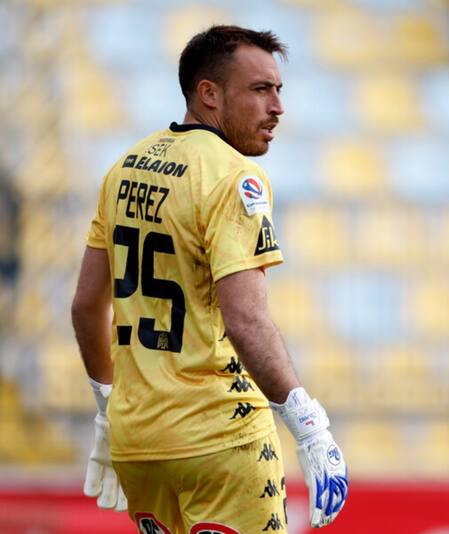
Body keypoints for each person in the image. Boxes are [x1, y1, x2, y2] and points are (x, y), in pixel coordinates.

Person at [70, 25, 348, 533]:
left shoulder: (123, 169)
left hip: (139, 443)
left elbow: (87, 304)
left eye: (279, 90)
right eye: (260, 90)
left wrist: (109, 410)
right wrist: (310, 428)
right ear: (209, 94)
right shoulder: (233, 177)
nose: (278, 107)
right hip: (220, 439)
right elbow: (245, 319)